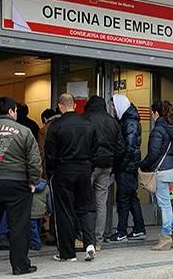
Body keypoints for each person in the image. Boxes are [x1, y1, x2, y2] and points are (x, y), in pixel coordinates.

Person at [45, 93, 98, 262]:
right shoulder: (88, 124)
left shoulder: (55, 126)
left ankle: (67, 253)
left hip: (63, 171)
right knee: (87, 207)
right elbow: (95, 151)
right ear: (74, 105)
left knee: (64, 211)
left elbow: (49, 154)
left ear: (60, 106)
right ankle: (90, 243)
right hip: (84, 169)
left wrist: (51, 172)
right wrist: (89, 167)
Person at [0, 96, 41, 275]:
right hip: (17, 183)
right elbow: (34, 161)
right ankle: (20, 266)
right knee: (18, 226)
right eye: (15, 110)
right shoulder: (24, 131)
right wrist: (33, 181)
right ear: (11, 111)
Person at [139, 100, 173, 251]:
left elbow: (153, 154)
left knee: (164, 205)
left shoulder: (158, 130)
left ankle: (166, 237)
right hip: (170, 170)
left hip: (160, 171)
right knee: (163, 204)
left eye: (152, 113)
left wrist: (142, 165)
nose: (152, 116)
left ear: (156, 113)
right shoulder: (172, 129)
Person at [82, 96, 125, 250]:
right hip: (107, 165)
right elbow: (121, 147)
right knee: (101, 202)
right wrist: (113, 164)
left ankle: (85, 238)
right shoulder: (112, 121)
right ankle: (98, 240)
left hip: (89, 164)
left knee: (85, 200)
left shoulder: (85, 118)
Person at [110, 94, 146, 242]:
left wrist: (121, 166)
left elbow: (130, 147)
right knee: (131, 198)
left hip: (127, 167)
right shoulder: (129, 119)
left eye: (113, 106)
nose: (112, 109)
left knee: (123, 199)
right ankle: (139, 228)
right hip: (129, 166)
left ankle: (122, 231)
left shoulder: (129, 122)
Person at [37, 108, 60, 247]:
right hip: (66, 170)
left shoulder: (44, 130)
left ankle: (52, 232)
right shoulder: (65, 125)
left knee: (51, 202)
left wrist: (39, 175)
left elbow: (40, 153)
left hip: (50, 172)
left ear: (45, 118)